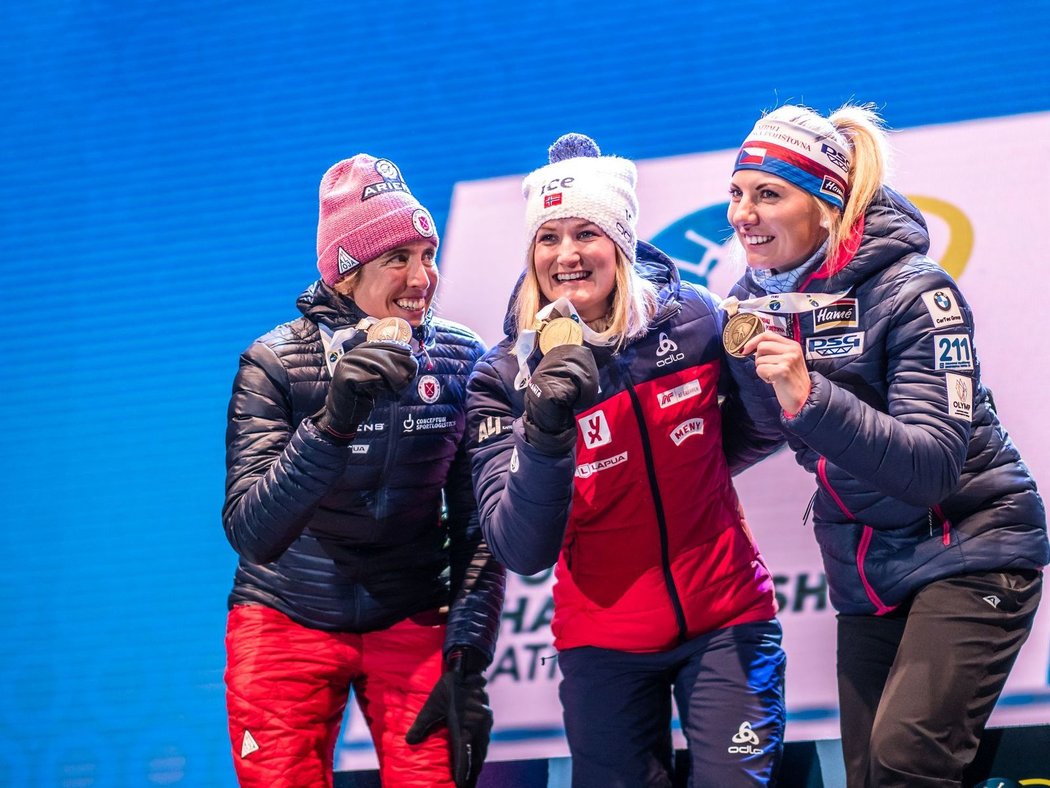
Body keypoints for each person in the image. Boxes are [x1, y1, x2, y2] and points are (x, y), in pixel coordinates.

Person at [721, 103, 1049, 787]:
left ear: (827, 207)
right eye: (737, 192)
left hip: (973, 545)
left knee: (907, 762)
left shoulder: (917, 293)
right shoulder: (753, 304)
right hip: (865, 568)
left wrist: (809, 395)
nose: (741, 214)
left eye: (768, 194)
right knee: (873, 777)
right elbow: (755, 429)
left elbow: (930, 466)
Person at [466, 133, 786, 787]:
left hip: (727, 616)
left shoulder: (692, 320)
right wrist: (548, 433)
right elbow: (521, 548)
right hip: (603, 642)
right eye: (548, 238)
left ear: (621, 242)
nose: (567, 254)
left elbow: (758, 429)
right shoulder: (503, 377)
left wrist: (699, 468)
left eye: (586, 232)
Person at [222, 154, 505, 788]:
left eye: (426, 254)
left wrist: (467, 660)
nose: (421, 277)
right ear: (346, 273)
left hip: (411, 616)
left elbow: (479, 527)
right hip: (284, 617)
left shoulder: (460, 357)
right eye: (396, 259)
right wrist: (333, 420)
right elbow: (252, 530)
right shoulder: (274, 362)